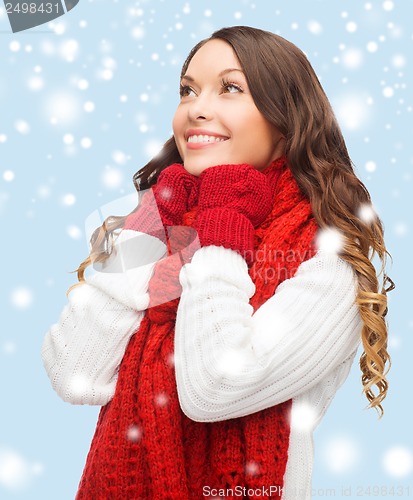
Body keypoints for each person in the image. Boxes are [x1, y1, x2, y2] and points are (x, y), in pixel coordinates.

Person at [41, 26, 394, 500]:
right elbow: (74, 374)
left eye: (230, 88)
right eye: (188, 89)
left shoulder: (329, 261)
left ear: (285, 119)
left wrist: (220, 227)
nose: (196, 108)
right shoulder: (159, 223)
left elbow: (213, 387)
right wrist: (148, 227)